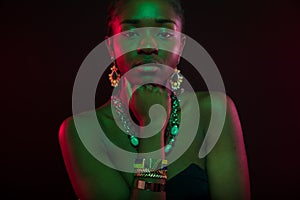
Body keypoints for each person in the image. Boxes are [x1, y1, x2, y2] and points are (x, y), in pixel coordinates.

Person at [59, 0, 251, 199]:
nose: (148, 46)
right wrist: (152, 129)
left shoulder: (213, 111)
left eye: (165, 33)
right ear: (110, 46)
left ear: (181, 44)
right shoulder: (84, 131)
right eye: (131, 34)